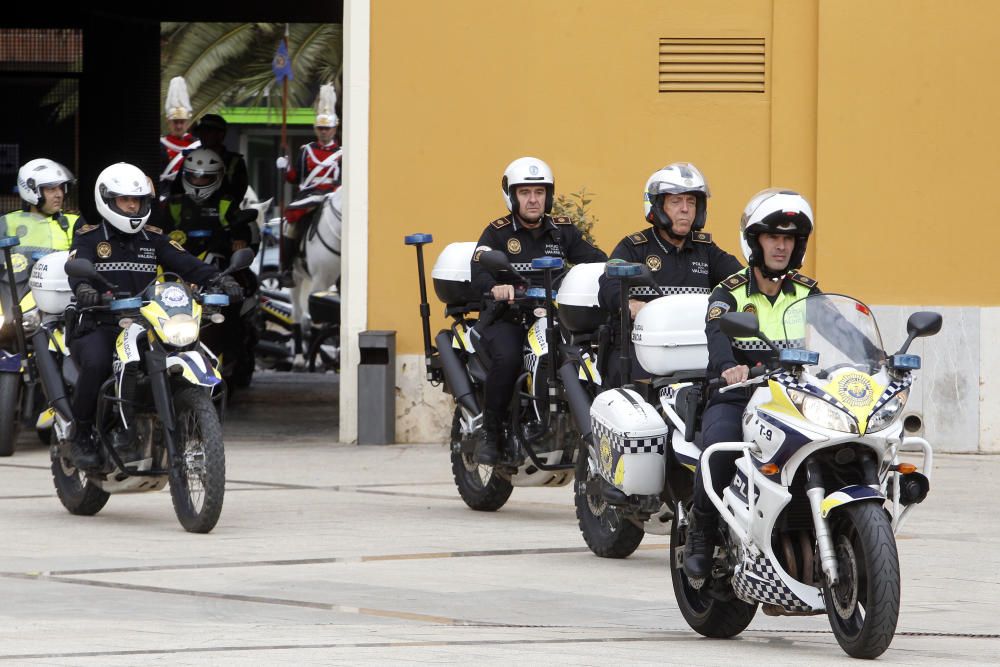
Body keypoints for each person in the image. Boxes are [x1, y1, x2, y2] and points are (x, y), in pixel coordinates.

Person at [66, 162, 243, 470]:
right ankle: (80, 433)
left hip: (147, 325)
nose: (133, 206)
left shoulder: (154, 239)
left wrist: (219, 279)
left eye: (138, 200)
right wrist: (84, 289)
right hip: (100, 323)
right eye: (125, 200)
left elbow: (187, 263)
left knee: (192, 350)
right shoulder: (89, 237)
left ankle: (181, 423)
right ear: (108, 200)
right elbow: (77, 266)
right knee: (96, 364)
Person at [682, 188, 819, 579]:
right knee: (721, 448)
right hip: (738, 395)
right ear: (754, 242)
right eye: (773, 237)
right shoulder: (730, 291)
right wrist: (729, 367)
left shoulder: (808, 292)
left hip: (793, 397)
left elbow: (838, 331)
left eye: (789, 238)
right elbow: (717, 333)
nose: (781, 246)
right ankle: (702, 533)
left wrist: (875, 359)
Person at [470, 156, 607, 465]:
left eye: (539, 192)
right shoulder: (497, 233)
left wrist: (610, 272)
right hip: (509, 317)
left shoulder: (562, 232)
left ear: (549, 195)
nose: (533, 199)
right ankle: (490, 434)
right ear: (512, 195)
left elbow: (595, 259)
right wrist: (495, 288)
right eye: (525, 192)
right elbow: (479, 269)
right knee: (508, 359)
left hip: (552, 316)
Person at [598, 162, 742, 385]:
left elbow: (741, 280)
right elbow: (608, 284)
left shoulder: (706, 250)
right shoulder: (635, 247)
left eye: (691, 202)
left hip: (693, 348)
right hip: (641, 350)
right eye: (676, 201)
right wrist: (630, 304)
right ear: (657, 207)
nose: (685, 209)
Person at [276, 83, 342, 286]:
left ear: (334, 129)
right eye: (320, 128)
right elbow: (296, 178)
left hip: (332, 195)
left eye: (327, 128)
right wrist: (285, 167)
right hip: (308, 196)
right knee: (290, 222)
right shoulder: (306, 150)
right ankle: (286, 268)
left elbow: (343, 182)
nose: (324, 132)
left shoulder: (342, 153)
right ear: (316, 129)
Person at [165, 148, 254, 261]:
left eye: (204, 177)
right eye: (193, 176)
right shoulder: (175, 203)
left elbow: (240, 226)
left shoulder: (225, 203)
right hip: (181, 262)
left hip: (219, 261)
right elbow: (162, 231)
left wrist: (240, 240)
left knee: (244, 276)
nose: (197, 181)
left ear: (217, 177)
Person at [1, 158, 83, 253]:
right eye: (51, 189)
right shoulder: (8, 221)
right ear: (31, 190)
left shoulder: (75, 223)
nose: (59, 194)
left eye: (61, 188)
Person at [185, 113, 249, 205]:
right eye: (201, 132)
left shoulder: (234, 162)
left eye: (208, 132)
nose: (203, 136)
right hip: (193, 215)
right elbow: (177, 190)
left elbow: (238, 194)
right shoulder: (191, 159)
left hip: (223, 216)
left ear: (220, 135)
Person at [158, 76, 200, 193]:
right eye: (175, 122)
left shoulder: (197, 145)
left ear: (188, 123)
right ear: (168, 122)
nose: (179, 126)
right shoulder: (160, 145)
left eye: (182, 122)